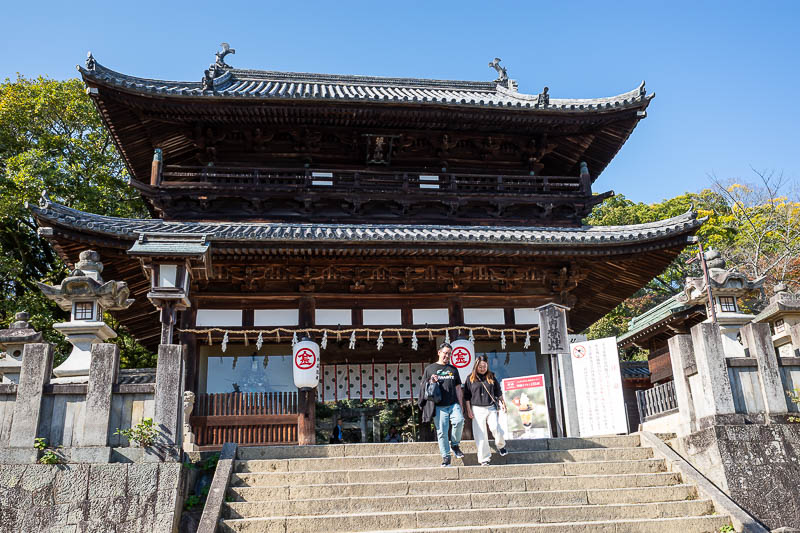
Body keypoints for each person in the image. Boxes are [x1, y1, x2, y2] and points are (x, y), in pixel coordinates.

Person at [419, 342, 465, 466]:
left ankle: (455, 445)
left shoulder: (453, 369)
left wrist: (461, 405)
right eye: (445, 353)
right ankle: (446, 457)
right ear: (439, 353)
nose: (447, 356)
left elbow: (458, 389)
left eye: (449, 354)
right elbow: (423, 386)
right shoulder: (430, 369)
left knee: (459, 421)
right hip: (438, 405)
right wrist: (431, 380)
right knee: (442, 432)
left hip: (453, 403)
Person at [464, 354, 508, 465]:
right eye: (480, 366)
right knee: (481, 434)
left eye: (484, 366)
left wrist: (503, 402)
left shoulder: (491, 376)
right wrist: (469, 410)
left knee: (495, 428)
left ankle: (501, 445)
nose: (482, 368)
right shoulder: (470, 378)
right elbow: (467, 396)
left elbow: (498, 391)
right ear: (476, 366)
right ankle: (484, 459)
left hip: (491, 407)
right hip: (477, 408)